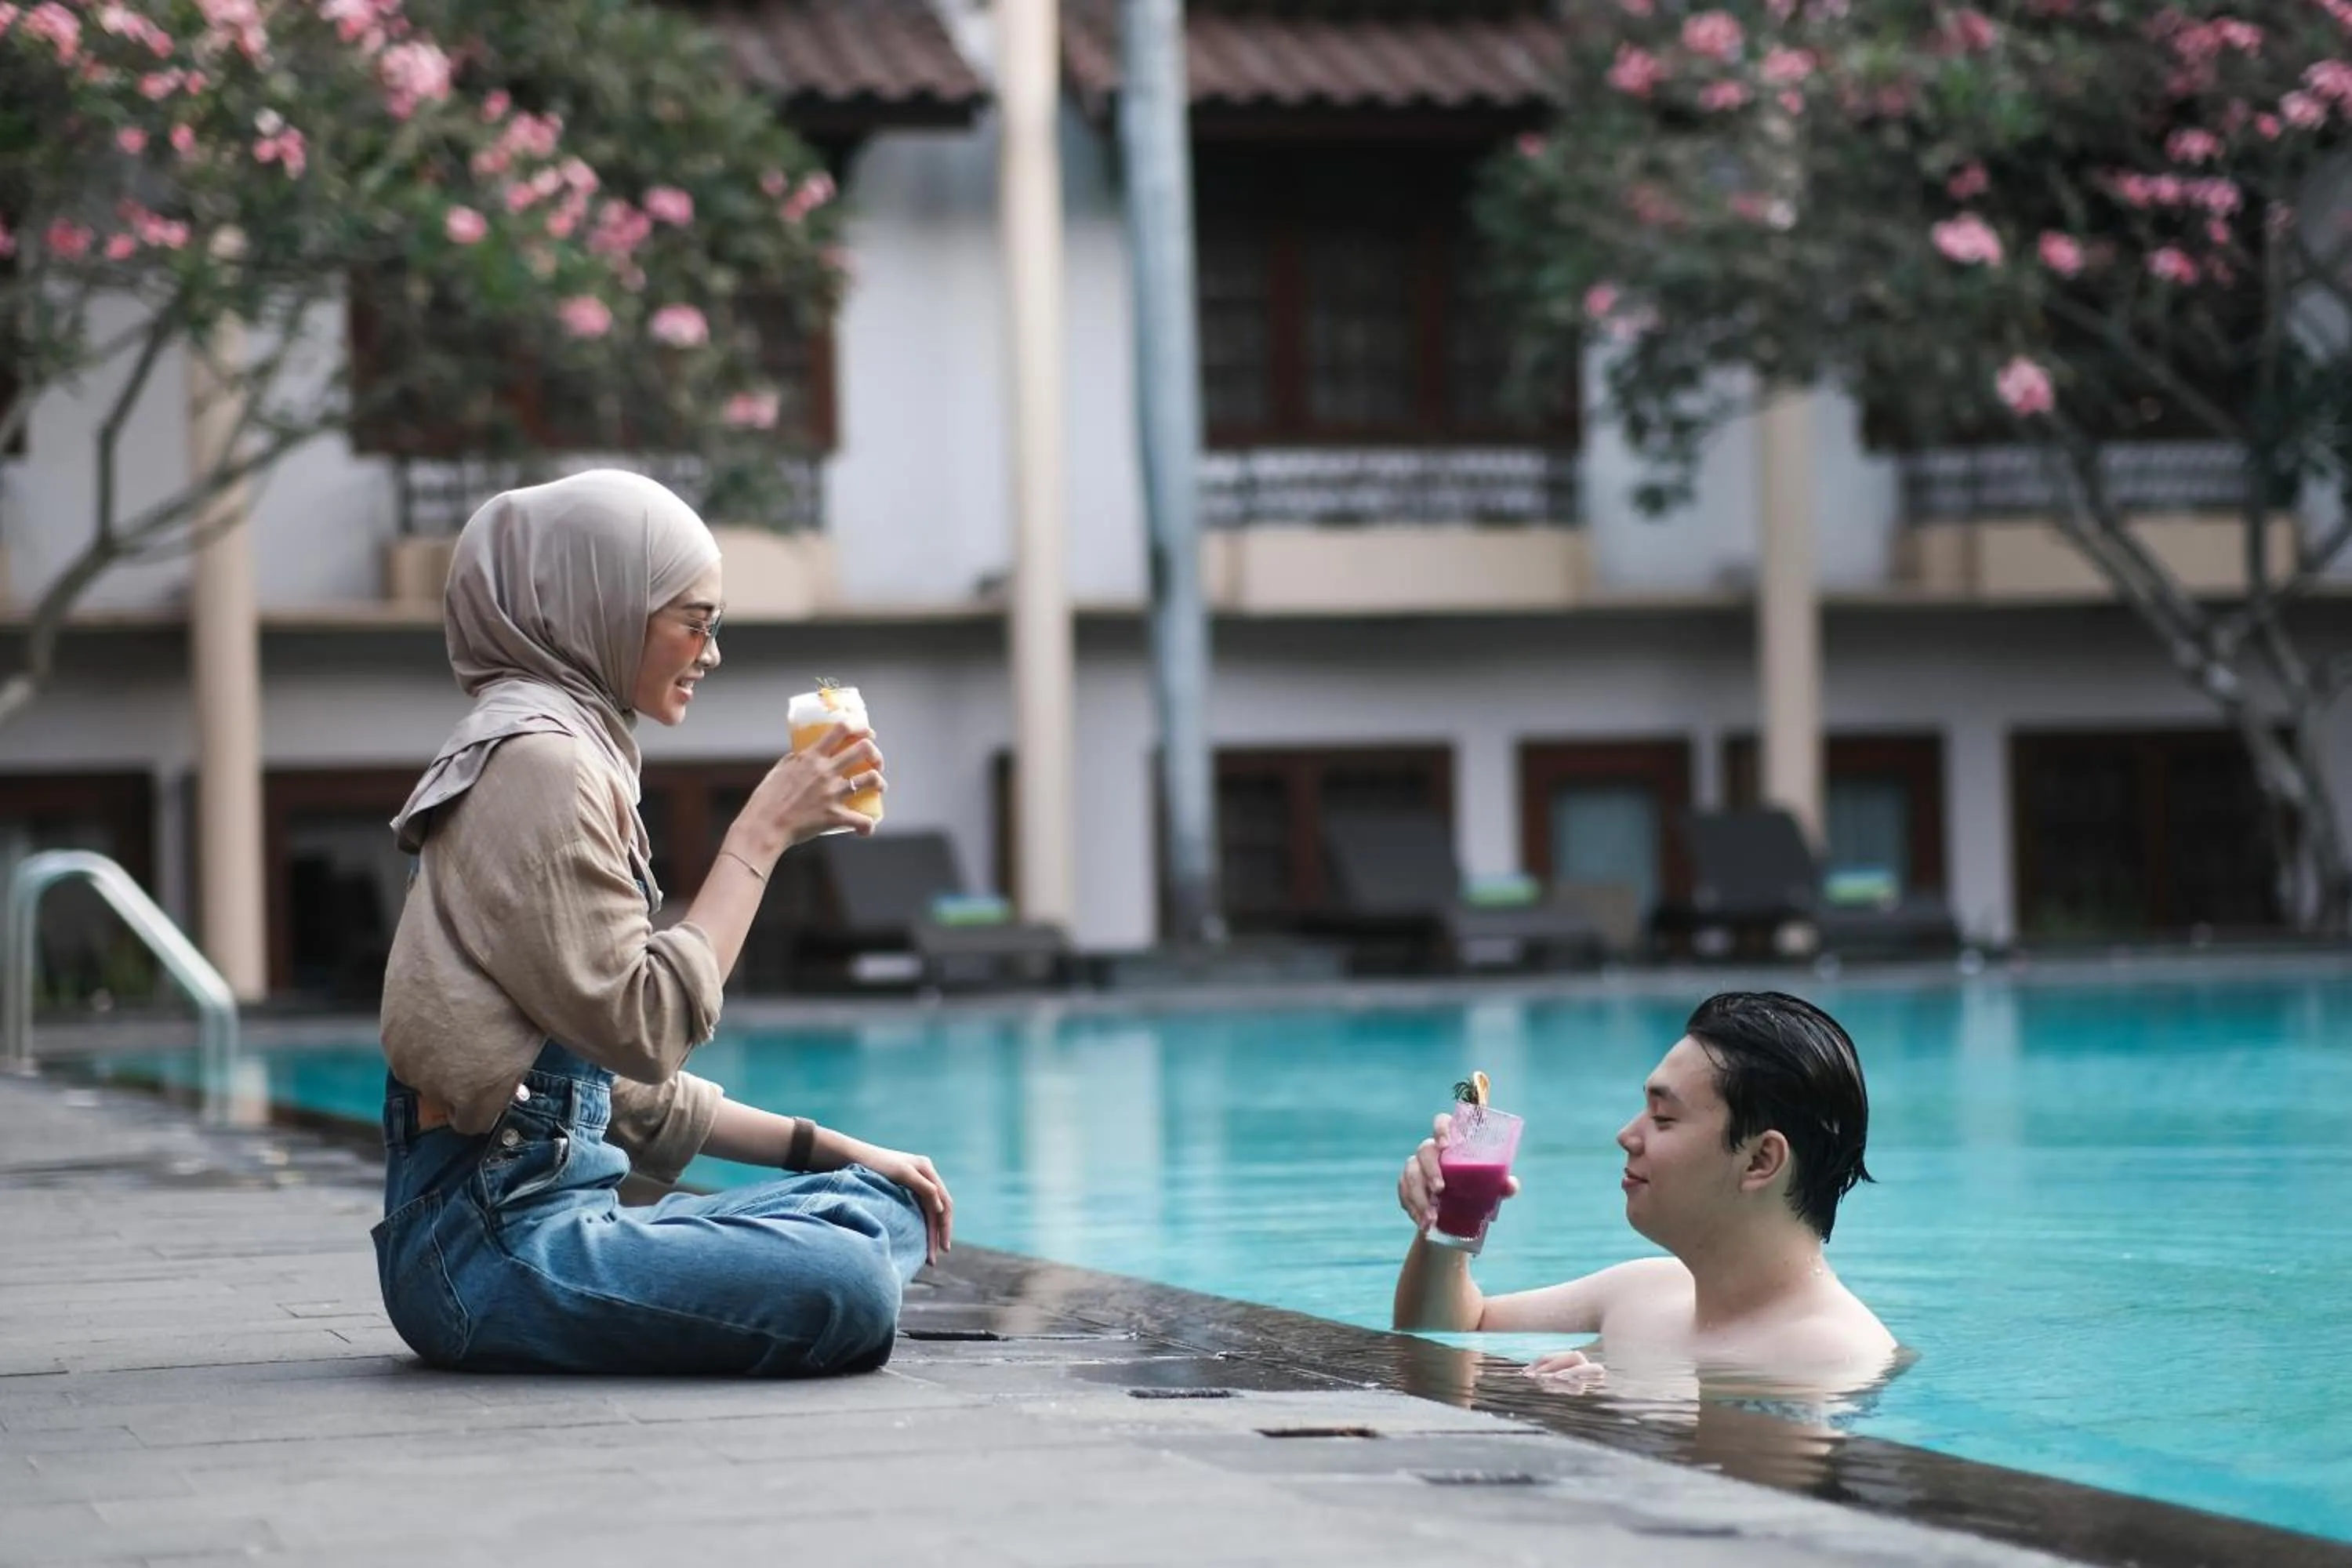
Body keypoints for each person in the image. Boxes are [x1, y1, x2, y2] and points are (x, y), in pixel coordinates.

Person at [372, 468, 952, 1377]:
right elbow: (647, 1031)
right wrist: (762, 833)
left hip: (564, 1214)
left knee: (883, 1200)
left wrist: (836, 1148)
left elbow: (616, 1092)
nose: (710, 651)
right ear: (599, 602)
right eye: (696, 619)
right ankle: (770, 1277)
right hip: (487, 1247)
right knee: (846, 1285)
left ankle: (751, 1264)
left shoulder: (569, 748)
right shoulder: (541, 765)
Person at [1392, 991, 1896, 1387]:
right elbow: (1450, 1335)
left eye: (1664, 1117)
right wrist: (1452, 1218)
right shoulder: (1646, 1292)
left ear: (1761, 1160)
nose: (1627, 1135)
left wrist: (1605, 1410)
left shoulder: (1829, 1353)